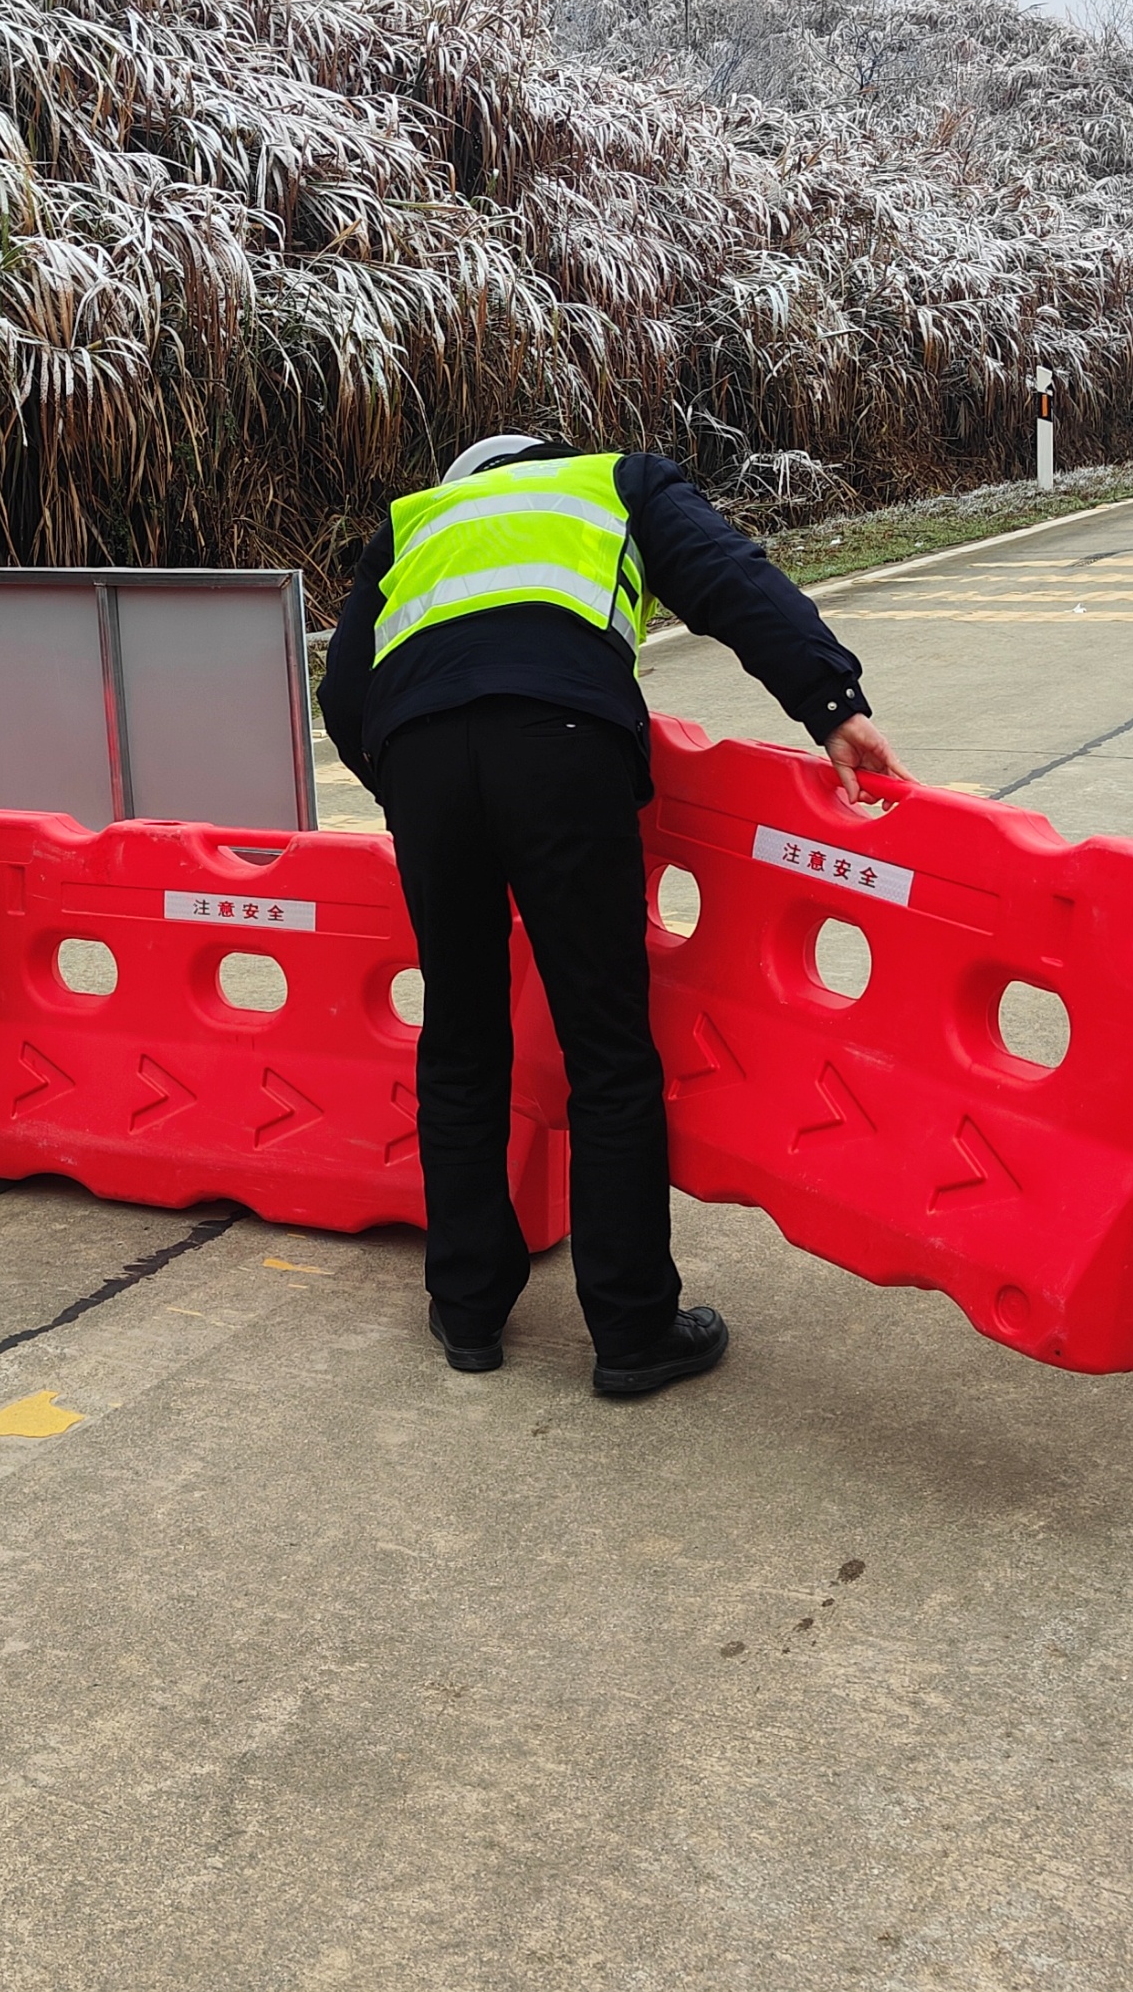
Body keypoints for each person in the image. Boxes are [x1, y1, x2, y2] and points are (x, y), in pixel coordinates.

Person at [319, 432, 900, 1397]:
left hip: (420, 759)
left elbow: (345, 690)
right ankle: (631, 1332)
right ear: (545, 461)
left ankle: (466, 1309)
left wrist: (411, 788)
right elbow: (728, 578)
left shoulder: (414, 520)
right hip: (561, 743)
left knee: (460, 1038)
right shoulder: (614, 481)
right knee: (606, 1045)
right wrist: (828, 699)